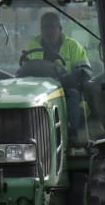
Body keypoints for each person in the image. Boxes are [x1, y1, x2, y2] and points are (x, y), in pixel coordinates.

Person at [26, 12, 90, 141]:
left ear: (60, 29)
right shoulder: (32, 46)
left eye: (51, 27)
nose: (48, 31)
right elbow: (24, 69)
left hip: (65, 88)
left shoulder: (73, 46)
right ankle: (29, 136)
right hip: (38, 90)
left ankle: (72, 133)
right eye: (45, 27)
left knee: (73, 95)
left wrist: (72, 76)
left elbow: (85, 71)